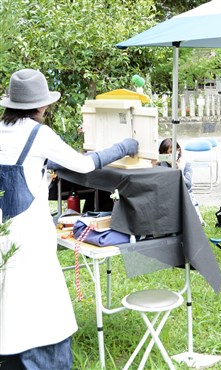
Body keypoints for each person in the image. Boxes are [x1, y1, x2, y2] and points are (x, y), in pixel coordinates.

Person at [0, 68, 138, 368]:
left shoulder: (2, 130)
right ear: (41, 105)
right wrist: (123, 147)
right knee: (41, 304)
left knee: (8, 300)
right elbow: (84, 164)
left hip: (4, 229)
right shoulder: (38, 133)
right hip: (29, 231)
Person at [157, 138, 204, 225]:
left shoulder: (186, 163)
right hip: (167, 197)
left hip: (184, 195)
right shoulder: (160, 164)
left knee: (194, 223)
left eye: (171, 152)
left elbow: (188, 185)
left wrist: (179, 171)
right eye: (166, 153)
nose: (169, 155)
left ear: (178, 150)